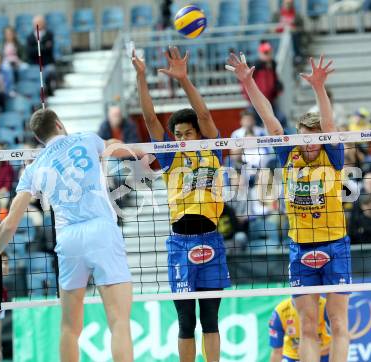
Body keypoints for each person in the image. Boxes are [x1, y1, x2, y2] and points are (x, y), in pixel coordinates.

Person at [0, 108, 137, 362]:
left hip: (69, 239)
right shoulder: (87, 138)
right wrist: (142, 149)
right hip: (101, 230)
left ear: (39, 138)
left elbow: (10, 222)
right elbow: (114, 146)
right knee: (119, 323)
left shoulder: (34, 167)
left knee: (70, 329)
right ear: (60, 125)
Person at [227, 53, 350, 362]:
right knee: (307, 326)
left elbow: (330, 124)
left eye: (316, 138)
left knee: (338, 323)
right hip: (300, 245)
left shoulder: (332, 155)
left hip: (335, 244)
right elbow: (269, 119)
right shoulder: (288, 153)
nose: (310, 143)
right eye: (305, 138)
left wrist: (319, 87)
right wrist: (248, 82)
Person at [132, 46, 231, 362]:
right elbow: (149, 117)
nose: (181, 138)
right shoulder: (170, 155)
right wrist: (141, 77)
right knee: (186, 321)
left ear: (198, 133)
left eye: (187, 133)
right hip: (180, 243)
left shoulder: (212, 148)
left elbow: (204, 115)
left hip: (211, 240)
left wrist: (184, 80)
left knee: (211, 320)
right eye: (177, 134)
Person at [269, 296, 331, 362]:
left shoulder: (324, 305)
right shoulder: (280, 311)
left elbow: (339, 340)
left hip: (323, 353)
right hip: (292, 357)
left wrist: (315, 352)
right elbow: (277, 352)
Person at [242, 42, 284, 127]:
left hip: (270, 101)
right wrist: (250, 98)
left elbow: (274, 81)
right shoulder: (255, 67)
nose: (268, 55)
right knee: (254, 124)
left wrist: (278, 88)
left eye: (269, 52)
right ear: (260, 53)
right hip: (256, 102)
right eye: (265, 53)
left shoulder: (272, 65)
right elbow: (246, 83)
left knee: (280, 120)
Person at [26, 15, 56, 95]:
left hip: (47, 63)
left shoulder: (49, 34)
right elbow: (30, 52)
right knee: (36, 72)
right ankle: (40, 93)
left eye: (40, 23)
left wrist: (38, 48)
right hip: (35, 63)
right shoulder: (30, 37)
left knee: (49, 70)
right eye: (36, 23)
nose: (38, 25)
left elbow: (49, 50)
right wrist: (43, 47)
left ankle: (49, 91)